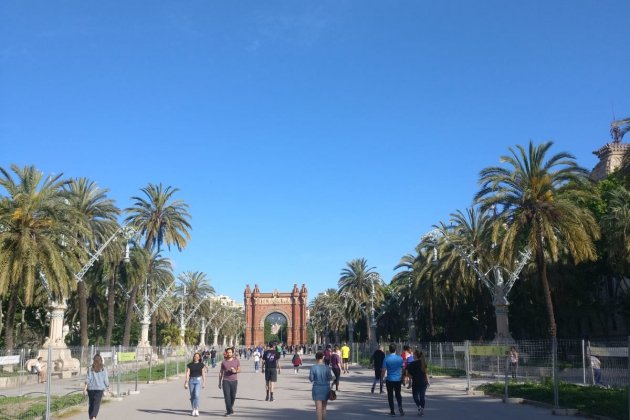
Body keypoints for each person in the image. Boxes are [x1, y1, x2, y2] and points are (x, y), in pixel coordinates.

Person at [83, 354, 109, 420]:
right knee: (96, 403)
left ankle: (91, 417)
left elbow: (88, 379)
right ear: (101, 360)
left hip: (91, 388)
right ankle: (93, 417)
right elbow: (105, 379)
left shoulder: (90, 368)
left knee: (91, 404)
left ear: (94, 360)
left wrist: (85, 389)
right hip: (99, 389)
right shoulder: (103, 368)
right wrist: (108, 387)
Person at [382, 343, 405, 417]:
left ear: (389, 350)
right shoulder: (400, 358)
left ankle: (392, 411)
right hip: (398, 379)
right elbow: (403, 368)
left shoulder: (386, 358)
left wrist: (382, 378)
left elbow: (384, 370)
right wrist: (403, 377)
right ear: (396, 349)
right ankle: (400, 407)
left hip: (390, 379)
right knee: (398, 394)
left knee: (390, 395)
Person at [310, 351, 333, 420]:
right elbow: (330, 378)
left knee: (318, 408)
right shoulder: (327, 367)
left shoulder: (313, 367)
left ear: (316, 358)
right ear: (323, 358)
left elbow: (311, 379)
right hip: (326, 388)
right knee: (324, 408)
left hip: (317, 388)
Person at [406, 349, 429, 416]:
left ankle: (419, 407)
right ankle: (422, 409)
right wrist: (428, 381)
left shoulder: (412, 364)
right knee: (422, 396)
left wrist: (410, 384)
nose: (412, 355)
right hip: (423, 382)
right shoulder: (423, 362)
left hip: (416, 382)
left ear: (416, 355)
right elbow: (426, 373)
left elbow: (409, 375)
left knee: (415, 396)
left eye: (413, 354)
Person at [219, 347, 240, 417]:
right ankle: (228, 411)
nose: (229, 353)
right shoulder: (223, 362)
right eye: (227, 352)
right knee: (227, 396)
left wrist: (235, 371)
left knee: (233, 396)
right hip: (225, 381)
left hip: (234, 381)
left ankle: (230, 408)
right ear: (226, 353)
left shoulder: (236, 361)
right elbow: (221, 372)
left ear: (232, 353)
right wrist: (219, 382)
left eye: (230, 352)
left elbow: (239, 370)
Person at [184, 352, 206, 417]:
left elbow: (203, 374)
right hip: (191, 380)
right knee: (192, 396)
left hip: (198, 380)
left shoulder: (201, 365)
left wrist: (204, 382)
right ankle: (193, 409)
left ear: (199, 358)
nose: (196, 357)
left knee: (196, 395)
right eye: (195, 356)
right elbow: (187, 373)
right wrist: (186, 382)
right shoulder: (190, 365)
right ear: (193, 357)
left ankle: (196, 408)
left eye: (197, 356)